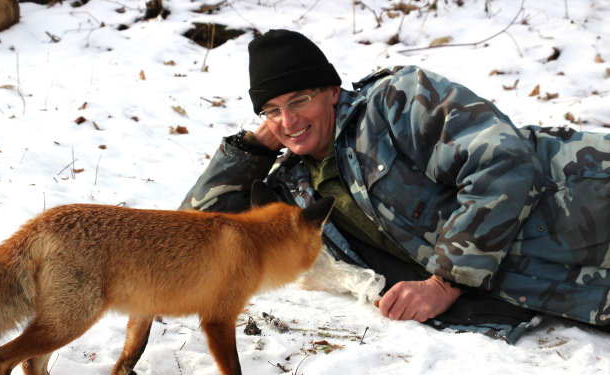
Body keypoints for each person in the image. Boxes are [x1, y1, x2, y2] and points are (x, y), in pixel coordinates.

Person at [181, 29, 610, 343]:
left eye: (298, 100)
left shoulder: (394, 102)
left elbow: (501, 162)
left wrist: (445, 283)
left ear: (331, 91)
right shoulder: (294, 189)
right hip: (573, 281)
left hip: (587, 199)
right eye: (273, 110)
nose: (288, 122)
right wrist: (254, 148)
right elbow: (198, 237)